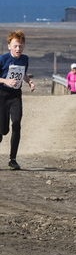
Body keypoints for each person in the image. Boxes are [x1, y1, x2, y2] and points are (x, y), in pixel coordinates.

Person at [0, 31, 35, 170]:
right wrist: (5, 81)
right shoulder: (2, 59)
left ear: (24, 46)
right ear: (9, 46)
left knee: (16, 124)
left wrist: (29, 81)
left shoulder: (25, 59)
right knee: (3, 131)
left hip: (15, 96)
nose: (18, 49)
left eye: (20, 46)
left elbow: (23, 73)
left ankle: (12, 159)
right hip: (1, 95)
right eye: (15, 46)